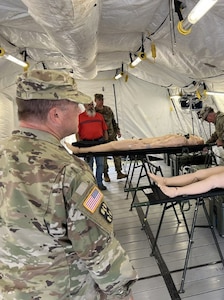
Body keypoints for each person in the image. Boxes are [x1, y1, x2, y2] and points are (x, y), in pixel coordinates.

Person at [0, 69, 138, 299]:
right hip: (64, 291)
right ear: (55, 115)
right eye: (75, 104)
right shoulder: (68, 170)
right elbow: (96, 248)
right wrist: (122, 293)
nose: (81, 110)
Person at [94, 93, 127, 181]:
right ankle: (106, 175)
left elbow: (113, 121)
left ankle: (119, 172)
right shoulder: (94, 112)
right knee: (103, 157)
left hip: (112, 135)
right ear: (95, 101)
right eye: (99, 100)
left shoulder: (108, 109)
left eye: (102, 99)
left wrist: (117, 130)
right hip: (101, 137)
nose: (101, 101)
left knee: (116, 154)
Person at [66, 133, 205, 154]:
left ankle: (80, 150)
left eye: (195, 138)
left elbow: (160, 145)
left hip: (141, 144)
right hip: (141, 142)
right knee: (111, 144)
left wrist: (145, 146)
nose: (193, 136)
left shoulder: (181, 140)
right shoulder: (181, 138)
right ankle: (80, 146)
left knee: (112, 146)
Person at [77, 101, 108, 190]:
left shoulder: (99, 116)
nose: (90, 106)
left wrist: (106, 142)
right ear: (84, 105)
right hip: (86, 144)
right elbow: (77, 132)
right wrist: (79, 144)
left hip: (99, 142)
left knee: (101, 164)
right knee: (88, 165)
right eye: (88, 105)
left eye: (92, 105)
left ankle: (99, 183)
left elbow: (105, 129)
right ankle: (91, 185)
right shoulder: (80, 117)